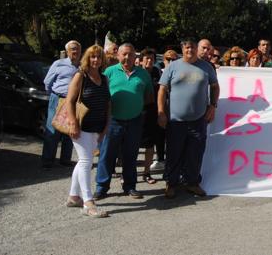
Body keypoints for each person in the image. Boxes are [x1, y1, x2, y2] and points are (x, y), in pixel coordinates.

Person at [158, 39, 220, 198]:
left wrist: (213, 106)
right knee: (174, 153)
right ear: (182, 48)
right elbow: (162, 90)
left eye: (192, 47)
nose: (190, 50)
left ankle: (192, 183)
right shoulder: (173, 66)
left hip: (198, 119)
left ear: (196, 48)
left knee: (195, 153)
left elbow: (214, 87)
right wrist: (161, 112)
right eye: (187, 47)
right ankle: (171, 183)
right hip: (175, 120)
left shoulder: (206, 67)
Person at [94, 43, 154, 200]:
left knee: (130, 155)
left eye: (130, 54)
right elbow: (101, 96)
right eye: (124, 54)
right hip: (112, 120)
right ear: (118, 56)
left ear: (136, 56)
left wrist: (135, 107)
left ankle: (130, 186)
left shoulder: (143, 74)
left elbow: (149, 97)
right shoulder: (109, 72)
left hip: (134, 120)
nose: (127, 57)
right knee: (107, 155)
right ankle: (101, 187)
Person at [65, 45, 111, 218]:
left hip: (97, 127)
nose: (95, 60)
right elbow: (69, 101)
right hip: (81, 126)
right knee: (86, 161)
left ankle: (73, 196)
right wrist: (72, 123)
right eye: (92, 57)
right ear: (87, 58)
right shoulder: (80, 76)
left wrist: (106, 125)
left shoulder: (104, 78)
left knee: (84, 160)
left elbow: (108, 103)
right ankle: (88, 202)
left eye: (99, 57)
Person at [42, 40, 81, 169]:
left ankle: (65, 160)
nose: (75, 51)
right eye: (72, 49)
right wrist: (55, 95)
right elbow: (47, 82)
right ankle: (47, 161)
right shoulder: (58, 64)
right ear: (67, 51)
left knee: (70, 130)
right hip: (58, 99)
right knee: (52, 130)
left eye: (77, 49)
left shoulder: (82, 66)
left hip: (75, 101)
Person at [139, 48, 163, 184]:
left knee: (150, 146)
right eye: (147, 58)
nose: (149, 61)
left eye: (152, 59)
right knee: (132, 145)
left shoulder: (157, 73)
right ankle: (127, 174)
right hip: (136, 113)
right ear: (141, 60)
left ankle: (146, 173)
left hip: (152, 113)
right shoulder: (136, 72)